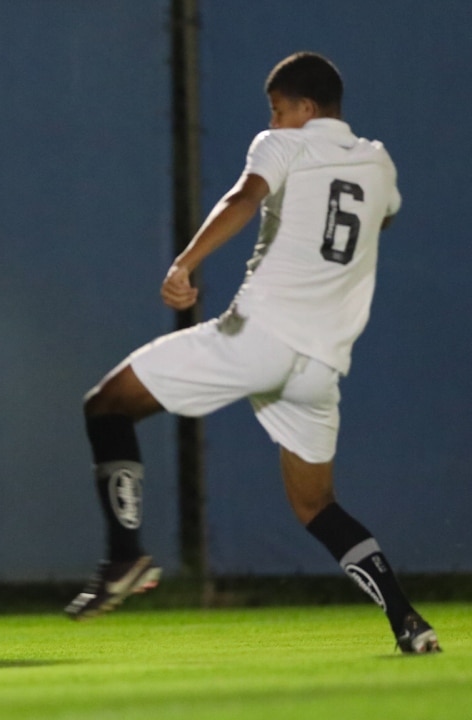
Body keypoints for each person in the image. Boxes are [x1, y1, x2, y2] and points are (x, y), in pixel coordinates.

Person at [63, 52, 440, 654]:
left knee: (107, 405)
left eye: (278, 107)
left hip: (258, 338)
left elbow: (243, 196)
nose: (273, 117)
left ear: (305, 109)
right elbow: (384, 214)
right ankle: (408, 622)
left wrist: (186, 262)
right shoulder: (378, 161)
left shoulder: (283, 144)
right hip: (320, 366)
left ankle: (125, 557)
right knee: (317, 506)